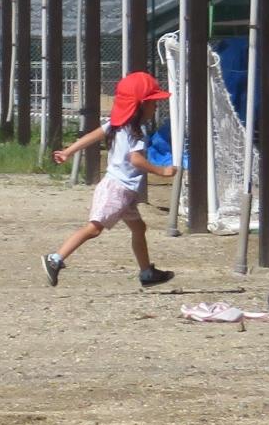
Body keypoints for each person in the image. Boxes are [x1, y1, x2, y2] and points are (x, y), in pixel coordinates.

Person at [44, 70, 179, 289]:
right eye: (152, 103)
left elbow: (92, 136)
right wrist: (160, 171)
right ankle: (55, 259)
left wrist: (69, 151)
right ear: (140, 105)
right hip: (117, 189)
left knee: (139, 228)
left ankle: (146, 272)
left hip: (124, 192)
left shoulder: (117, 124)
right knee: (94, 228)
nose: (155, 107)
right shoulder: (136, 131)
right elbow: (135, 159)